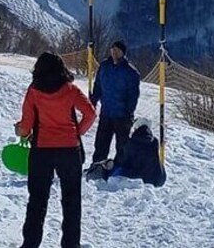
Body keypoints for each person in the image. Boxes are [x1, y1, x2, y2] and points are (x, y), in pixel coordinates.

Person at [16, 52, 96, 248]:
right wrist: (76, 132)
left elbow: (26, 126)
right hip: (69, 150)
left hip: (42, 150)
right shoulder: (70, 89)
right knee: (71, 201)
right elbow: (90, 114)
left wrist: (20, 130)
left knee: (37, 200)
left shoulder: (33, 91)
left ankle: (30, 243)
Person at [89, 40, 140, 169]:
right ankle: (98, 166)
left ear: (123, 52)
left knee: (122, 145)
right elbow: (98, 85)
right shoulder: (104, 66)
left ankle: (120, 169)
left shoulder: (130, 72)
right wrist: (93, 99)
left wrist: (129, 111)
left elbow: (133, 95)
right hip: (106, 112)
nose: (114, 51)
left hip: (122, 115)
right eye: (112, 49)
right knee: (101, 143)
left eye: (117, 49)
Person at [94, 118, 166, 187]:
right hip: (157, 178)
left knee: (118, 170)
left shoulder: (132, 142)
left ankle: (101, 175)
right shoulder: (154, 142)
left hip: (139, 177)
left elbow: (125, 162)